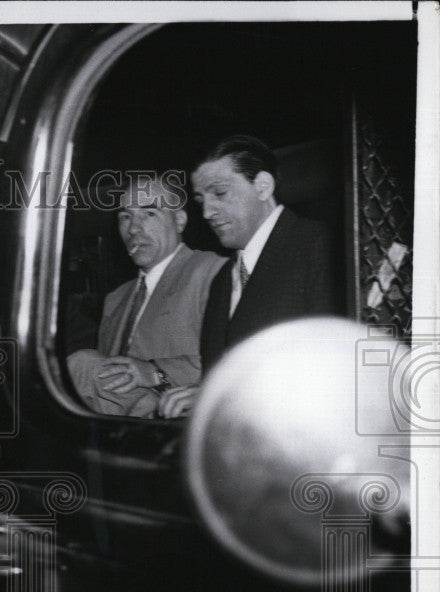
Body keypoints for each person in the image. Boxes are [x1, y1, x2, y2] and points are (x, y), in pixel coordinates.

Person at [158, 135, 343, 418]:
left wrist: (222, 396)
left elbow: (337, 371)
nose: (206, 212)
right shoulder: (223, 278)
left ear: (262, 186)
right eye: (200, 200)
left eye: (219, 193)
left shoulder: (322, 246)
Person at [67, 173, 224, 416]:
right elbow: (107, 382)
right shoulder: (115, 299)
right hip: (119, 433)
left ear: (179, 221)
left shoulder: (213, 271)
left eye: (149, 214)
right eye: (125, 217)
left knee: (80, 364)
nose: (133, 228)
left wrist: (155, 373)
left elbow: (240, 360)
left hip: (185, 422)